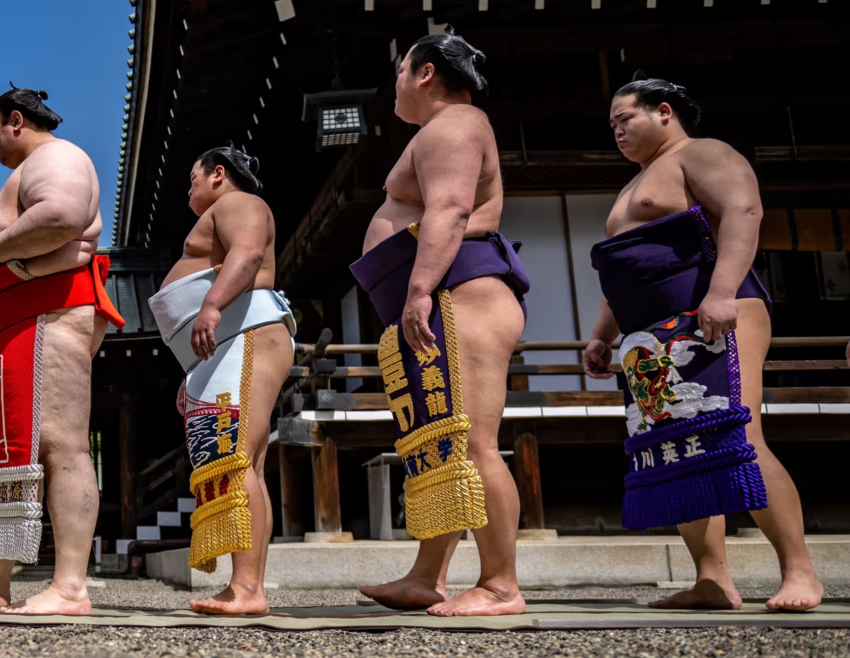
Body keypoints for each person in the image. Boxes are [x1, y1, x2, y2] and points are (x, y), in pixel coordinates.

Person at [583, 75, 822, 612]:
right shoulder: (632, 186)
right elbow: (623, 272)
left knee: (739, 435)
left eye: (627, 118)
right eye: (613, 124)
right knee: (679, 448)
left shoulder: (702, 153)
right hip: (649, 329)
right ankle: (713, 580)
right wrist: (603, 335)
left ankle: (800, 571)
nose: (617, 130)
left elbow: (744, 212)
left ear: (664, 111)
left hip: (715, 310)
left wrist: (720, 294)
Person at [349, 31, 531, 617]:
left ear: (425, 73)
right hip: (447, 294)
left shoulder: (454, 125)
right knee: (444, 444)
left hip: (461, 292)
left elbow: (450, 209)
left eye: (401, 71)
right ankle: (428, 575)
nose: (396, 84)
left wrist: (420, 288)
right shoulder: (445, 129)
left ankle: (501, 583)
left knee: (475, 444)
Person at [0, 85, 124, 616]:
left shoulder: (58, 157)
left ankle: (69, 586)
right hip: (21, 323)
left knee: (62, 445)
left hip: (53, 313)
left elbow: (62, 214)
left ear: (16, 121)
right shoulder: (37, 164)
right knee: (20, 447)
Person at [146, 147, 295, 614]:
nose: (188, 187)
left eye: (193, 176)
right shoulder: (224, 210)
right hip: (231, 343)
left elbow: (247, 254)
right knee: (246, 463)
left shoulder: (239, 203)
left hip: (246, 332)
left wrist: (210, 306)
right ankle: (246, 586)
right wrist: (195, 368)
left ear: (218, 174)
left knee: (236, 460)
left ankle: (247, 588)